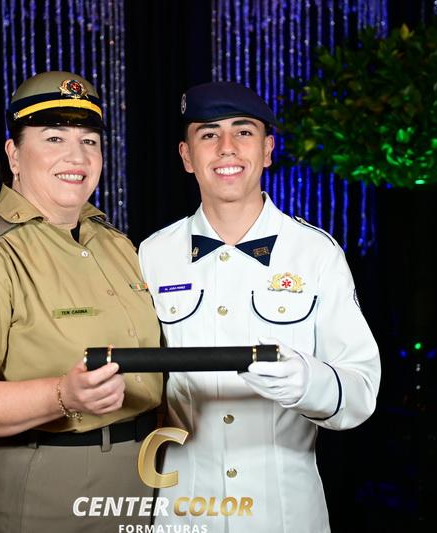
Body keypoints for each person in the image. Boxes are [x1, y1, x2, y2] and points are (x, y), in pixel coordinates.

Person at [0, 71, 163, 532]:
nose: (77, 156)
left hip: (143, 476)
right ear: (14, 154)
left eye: (89, 141)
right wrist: (63, 395)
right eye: (54, 138)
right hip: (46, 484)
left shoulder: (119, 246)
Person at [138, 81, 381, 532]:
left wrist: (308, 381)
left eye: (243, 132)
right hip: (184, 511)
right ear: (187, 156)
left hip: (285, 514)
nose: (226, 147)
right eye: (208, 134)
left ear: (268, 149)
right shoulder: (151, 255)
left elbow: (362, 390)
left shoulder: (317, 253)